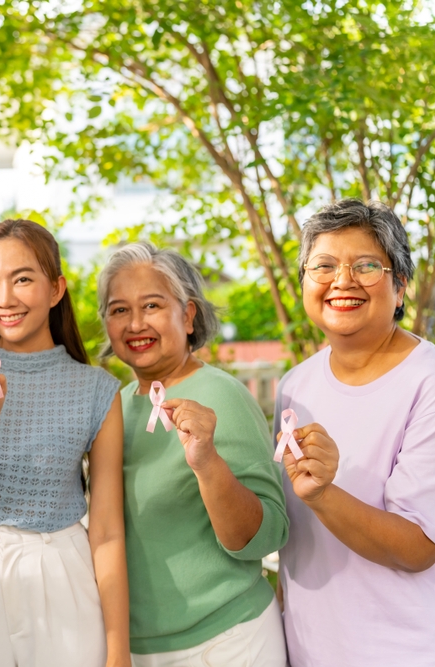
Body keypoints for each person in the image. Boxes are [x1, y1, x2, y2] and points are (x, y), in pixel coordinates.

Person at [276, 199, 435, 667]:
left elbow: (418, 547)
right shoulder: (296, 385)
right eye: (324, 266)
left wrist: (323, 493)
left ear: (400, 287)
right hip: (315, 648)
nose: (342, 281)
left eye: (366, 265)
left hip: (415, 650)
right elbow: (293, 532)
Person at [0, 219, 130, 667]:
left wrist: (118, 651)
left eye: (22, 279)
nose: (5, 299)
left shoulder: (98, 389)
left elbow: (109, 532)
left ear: (56, 289)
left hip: (66, 573)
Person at [97, 242, 288, 667]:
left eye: (151, 305)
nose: (135, 323)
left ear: (188, 315)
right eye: (119, 309)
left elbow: (266, 535)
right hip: (135, 650)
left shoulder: (222, 395)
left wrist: (207, 463)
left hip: (226, 642)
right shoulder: (114, 406)